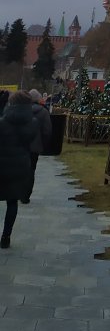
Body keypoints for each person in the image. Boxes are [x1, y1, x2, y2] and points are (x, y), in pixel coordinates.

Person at [0, 92, 36, 249]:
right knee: (12, 201)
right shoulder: (32, 122)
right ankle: (6, 236)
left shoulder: (2, 123)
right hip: (21, 165)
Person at [25, 90, 53, 202]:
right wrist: (43, 144)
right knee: (31, 170)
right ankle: (26, 195)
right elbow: (47, 131)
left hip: (21, 146)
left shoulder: (22, 109)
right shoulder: (44, 112)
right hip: (35, 147)